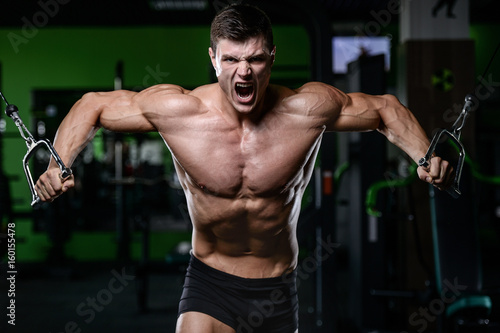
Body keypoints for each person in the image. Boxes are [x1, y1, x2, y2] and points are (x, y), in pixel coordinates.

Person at [35, 4, 454, 333]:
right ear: (214, 58)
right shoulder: (179, 111)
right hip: (209, 282)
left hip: (277, 287)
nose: (244, 72)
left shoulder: (306, 110)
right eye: (232, 60)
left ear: (271, 57)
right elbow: (94, 105)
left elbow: (385, 109)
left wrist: (425, 157)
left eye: (255, 59)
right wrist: (58, 162)